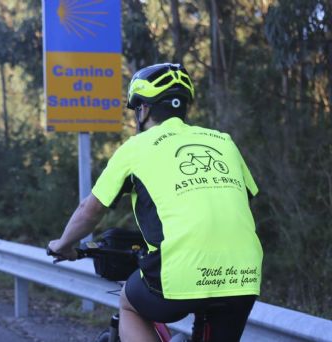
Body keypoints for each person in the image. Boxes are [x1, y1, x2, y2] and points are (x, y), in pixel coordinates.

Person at [49, 63, 263, 342]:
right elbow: (235, 201)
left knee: (129, 304)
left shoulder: (136, 148)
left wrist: (63, 245)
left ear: (144, 110)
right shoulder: (223, 142)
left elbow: (90, 210)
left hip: (180, 272)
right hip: (243, 273)